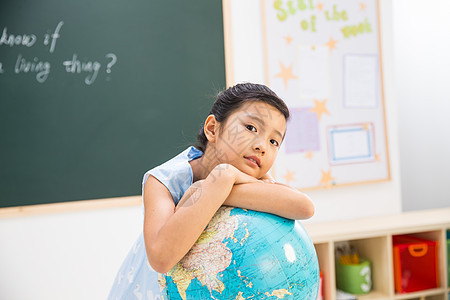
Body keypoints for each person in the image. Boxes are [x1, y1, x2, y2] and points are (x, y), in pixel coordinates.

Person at [107, 83, 315, 300]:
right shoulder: (163, 180)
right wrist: (222, 178)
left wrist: (216, 187)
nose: (262, 146)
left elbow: (305, 207)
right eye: (251, 128)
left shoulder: (250, 177)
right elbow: (161, 258)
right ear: (213, 129)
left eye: (274, 141)